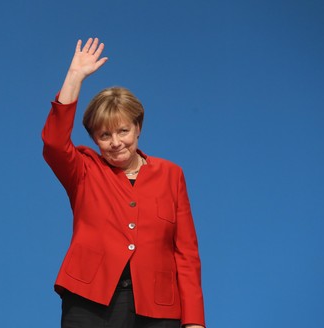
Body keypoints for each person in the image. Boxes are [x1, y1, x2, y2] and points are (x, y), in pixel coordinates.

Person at [42, 37, 206, 328]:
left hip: (157, 308)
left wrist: (194, 321)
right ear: (94, 139)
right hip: (89, 303)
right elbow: (54, 143)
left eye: (123, 131)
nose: (116, 142)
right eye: (104, 135)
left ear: (138, 128)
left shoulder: (171, 175)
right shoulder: (84, 170)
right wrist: (74, 77)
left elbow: (186, 253)